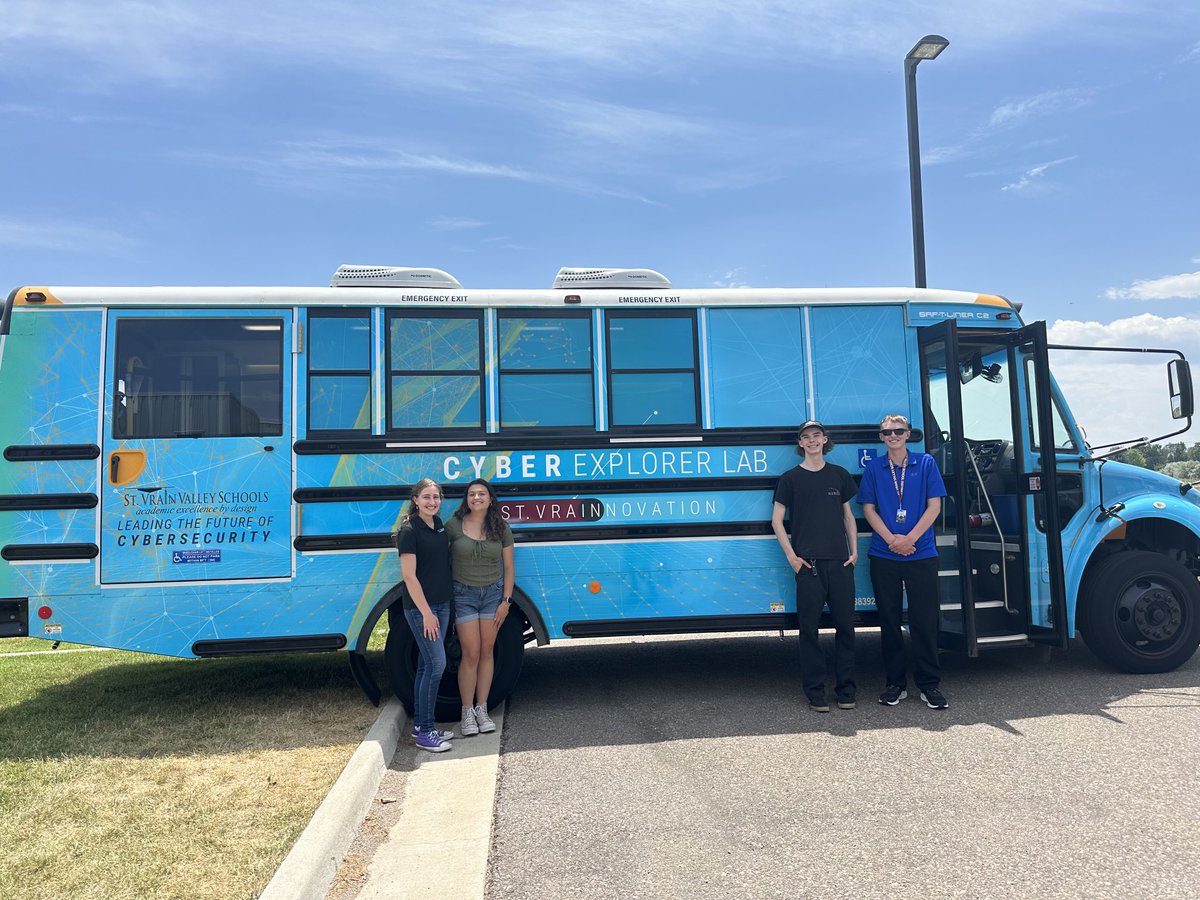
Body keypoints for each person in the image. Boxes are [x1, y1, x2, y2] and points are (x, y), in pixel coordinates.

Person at [859, 414, 950, 709]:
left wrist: (909, 538)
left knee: (924, 622)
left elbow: (934, 506)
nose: (893, 436)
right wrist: (892, 541)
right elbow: (869, 510)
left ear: (908, 434)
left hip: (921, 553)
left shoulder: (925, 464)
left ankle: (929, 684)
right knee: (889, 622)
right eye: (887, 432)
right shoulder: (874, 468)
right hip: (884, 554)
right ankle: (895, 684)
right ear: (881, 437)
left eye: (898, 431)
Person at [771, 421, 859, 712]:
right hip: (808, 566)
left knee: (846, 628)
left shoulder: (839, 475)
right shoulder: (790, 479)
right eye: (806, 437)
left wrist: (854, 552)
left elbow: (848, 517)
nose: (812, 441)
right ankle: (816, 693)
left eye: (816, 436)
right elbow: (776, 521)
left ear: (825, 440)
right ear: (800, 443)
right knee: (809, 631)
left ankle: (846, 691)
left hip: (840, 563)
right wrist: (792, 558)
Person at [446, 478, 515, 737]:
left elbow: (509, 568)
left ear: (490, 499)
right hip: (463, 594)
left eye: (482, 494)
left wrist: (505, 602)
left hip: (493, 595)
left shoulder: (500, 527)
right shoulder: (454, 526)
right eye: (472, 494)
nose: (476, 498)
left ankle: (482, 709)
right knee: (471, 653)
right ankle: (466, 712)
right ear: (466, 499)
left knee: (487, 651)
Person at [395, 478, 456, 752]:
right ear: (416, 500)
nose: (432, 502)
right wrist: (426, 613)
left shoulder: (438, 525)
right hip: (423, 609)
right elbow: (409, 577)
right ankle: (426, 732)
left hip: (441, 604)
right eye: (426, 497)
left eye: (436, 497)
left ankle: (422, 724)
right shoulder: (409, 531)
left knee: (425, 666)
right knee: (436, 665)